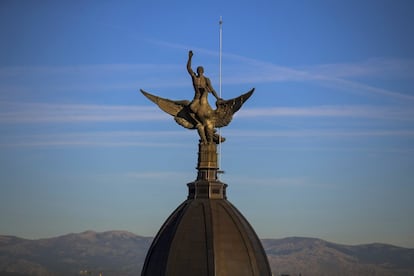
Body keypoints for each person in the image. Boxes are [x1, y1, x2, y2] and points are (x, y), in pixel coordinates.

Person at [186, 50, 222, 143]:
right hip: (196, 97)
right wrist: (190, 58)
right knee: (191, 107)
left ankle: (210, 128)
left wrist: (217, 98)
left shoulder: (206, 79)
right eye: (198, 71)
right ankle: (197, 122)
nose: (199, 72)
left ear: (203, 72)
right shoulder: (194, 77)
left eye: (201, 71)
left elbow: (212, 89)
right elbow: (188, 68)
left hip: (204, 97)